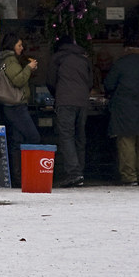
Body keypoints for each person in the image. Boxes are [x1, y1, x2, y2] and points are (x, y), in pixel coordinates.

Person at [104, 35, 139, 185]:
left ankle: (130, 177)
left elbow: (109, 85)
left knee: (126, 143)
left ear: (126, 48)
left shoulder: (120, 64)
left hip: (124, 109)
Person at [47, 35, 93, 187]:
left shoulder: (57, 58)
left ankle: (74, 173)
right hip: (83, 102)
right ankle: (80, 171)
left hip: (65, 102)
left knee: (66, 136)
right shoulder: (84, 59)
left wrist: (57, 95)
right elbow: (91, 82)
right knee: (80, 136)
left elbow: (51, 81)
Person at [0, 32, 40, 186]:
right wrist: (28, 68)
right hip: (16, 107)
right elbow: (18, 80)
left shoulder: (7, 60)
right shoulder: (11, 61)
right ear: (12, 46)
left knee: (18, 140)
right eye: (19, 45)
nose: (22, 48)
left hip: (12, 107)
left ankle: (18, 178)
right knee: (33, 137)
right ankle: (31, 174)